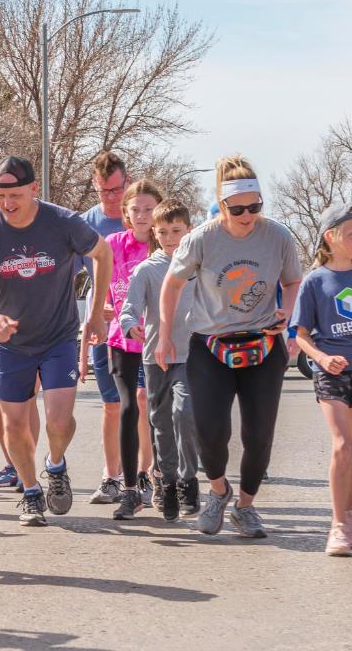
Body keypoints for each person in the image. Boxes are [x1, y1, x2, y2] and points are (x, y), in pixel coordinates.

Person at [158, 155, 302, 540]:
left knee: (259, 435)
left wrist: (286, 313)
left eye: (255, 207)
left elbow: (292, 281)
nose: (247, 215)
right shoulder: (201, 239)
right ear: (223, 206)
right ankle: (219, 491)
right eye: (238, 209)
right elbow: (172, 284)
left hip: (263, 344)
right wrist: (165, 335)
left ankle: (246, 507)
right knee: (209, 430)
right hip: (211, 346)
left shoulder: (278, 236)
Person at [0, 155, 112, 526]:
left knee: (59, 422)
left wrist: (95, 313)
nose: (7, 204)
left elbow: (103, 253)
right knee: (15, 425)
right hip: (10, 342)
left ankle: (55, 465)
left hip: (58, 337)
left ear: (34, 188)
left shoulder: (62, 222)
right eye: (0, 196)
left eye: (15, 195)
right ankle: (31, 492)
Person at [291, 203, 352, 555]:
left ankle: (348, 515)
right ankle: (336, 525)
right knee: (342, 446)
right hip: (331, 373)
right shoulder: (314, 281)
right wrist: (321, 358)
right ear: (330, 237)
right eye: (351, 234)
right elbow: (300, 335)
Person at [120, 200, 200, 522]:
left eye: (176, 231)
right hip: (157, 358)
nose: (170, 238)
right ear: (154, 232)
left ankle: (188, 480)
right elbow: (129, 308)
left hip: (192, 355)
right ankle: (166, 483)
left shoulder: (198, 267)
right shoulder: (147, 270)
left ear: (189, 231)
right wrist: (130, 325)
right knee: (161, 424)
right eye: (163, 232)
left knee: (185, 413)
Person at [96, 178, 162, 518]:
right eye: (136, 209)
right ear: (125, 212)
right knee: (126, 406)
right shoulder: (112, 244)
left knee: (146, 402)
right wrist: (104, 308)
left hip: (155, 339)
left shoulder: (164, 246)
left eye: (149, 209)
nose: (142, 216)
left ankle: (148, 473)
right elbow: (104, 288)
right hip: (121, 338)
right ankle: (128, 487)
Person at [78, 152, 132, 505]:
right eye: (103, 191)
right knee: (112, 404)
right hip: (105, 327)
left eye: (116, 189)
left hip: (144, 330)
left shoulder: (142, 218)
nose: (111, 198)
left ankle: (145, 475)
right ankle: (111, 477)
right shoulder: (85, 224)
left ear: (128, 182)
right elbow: (67, 273)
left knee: (144, 404)